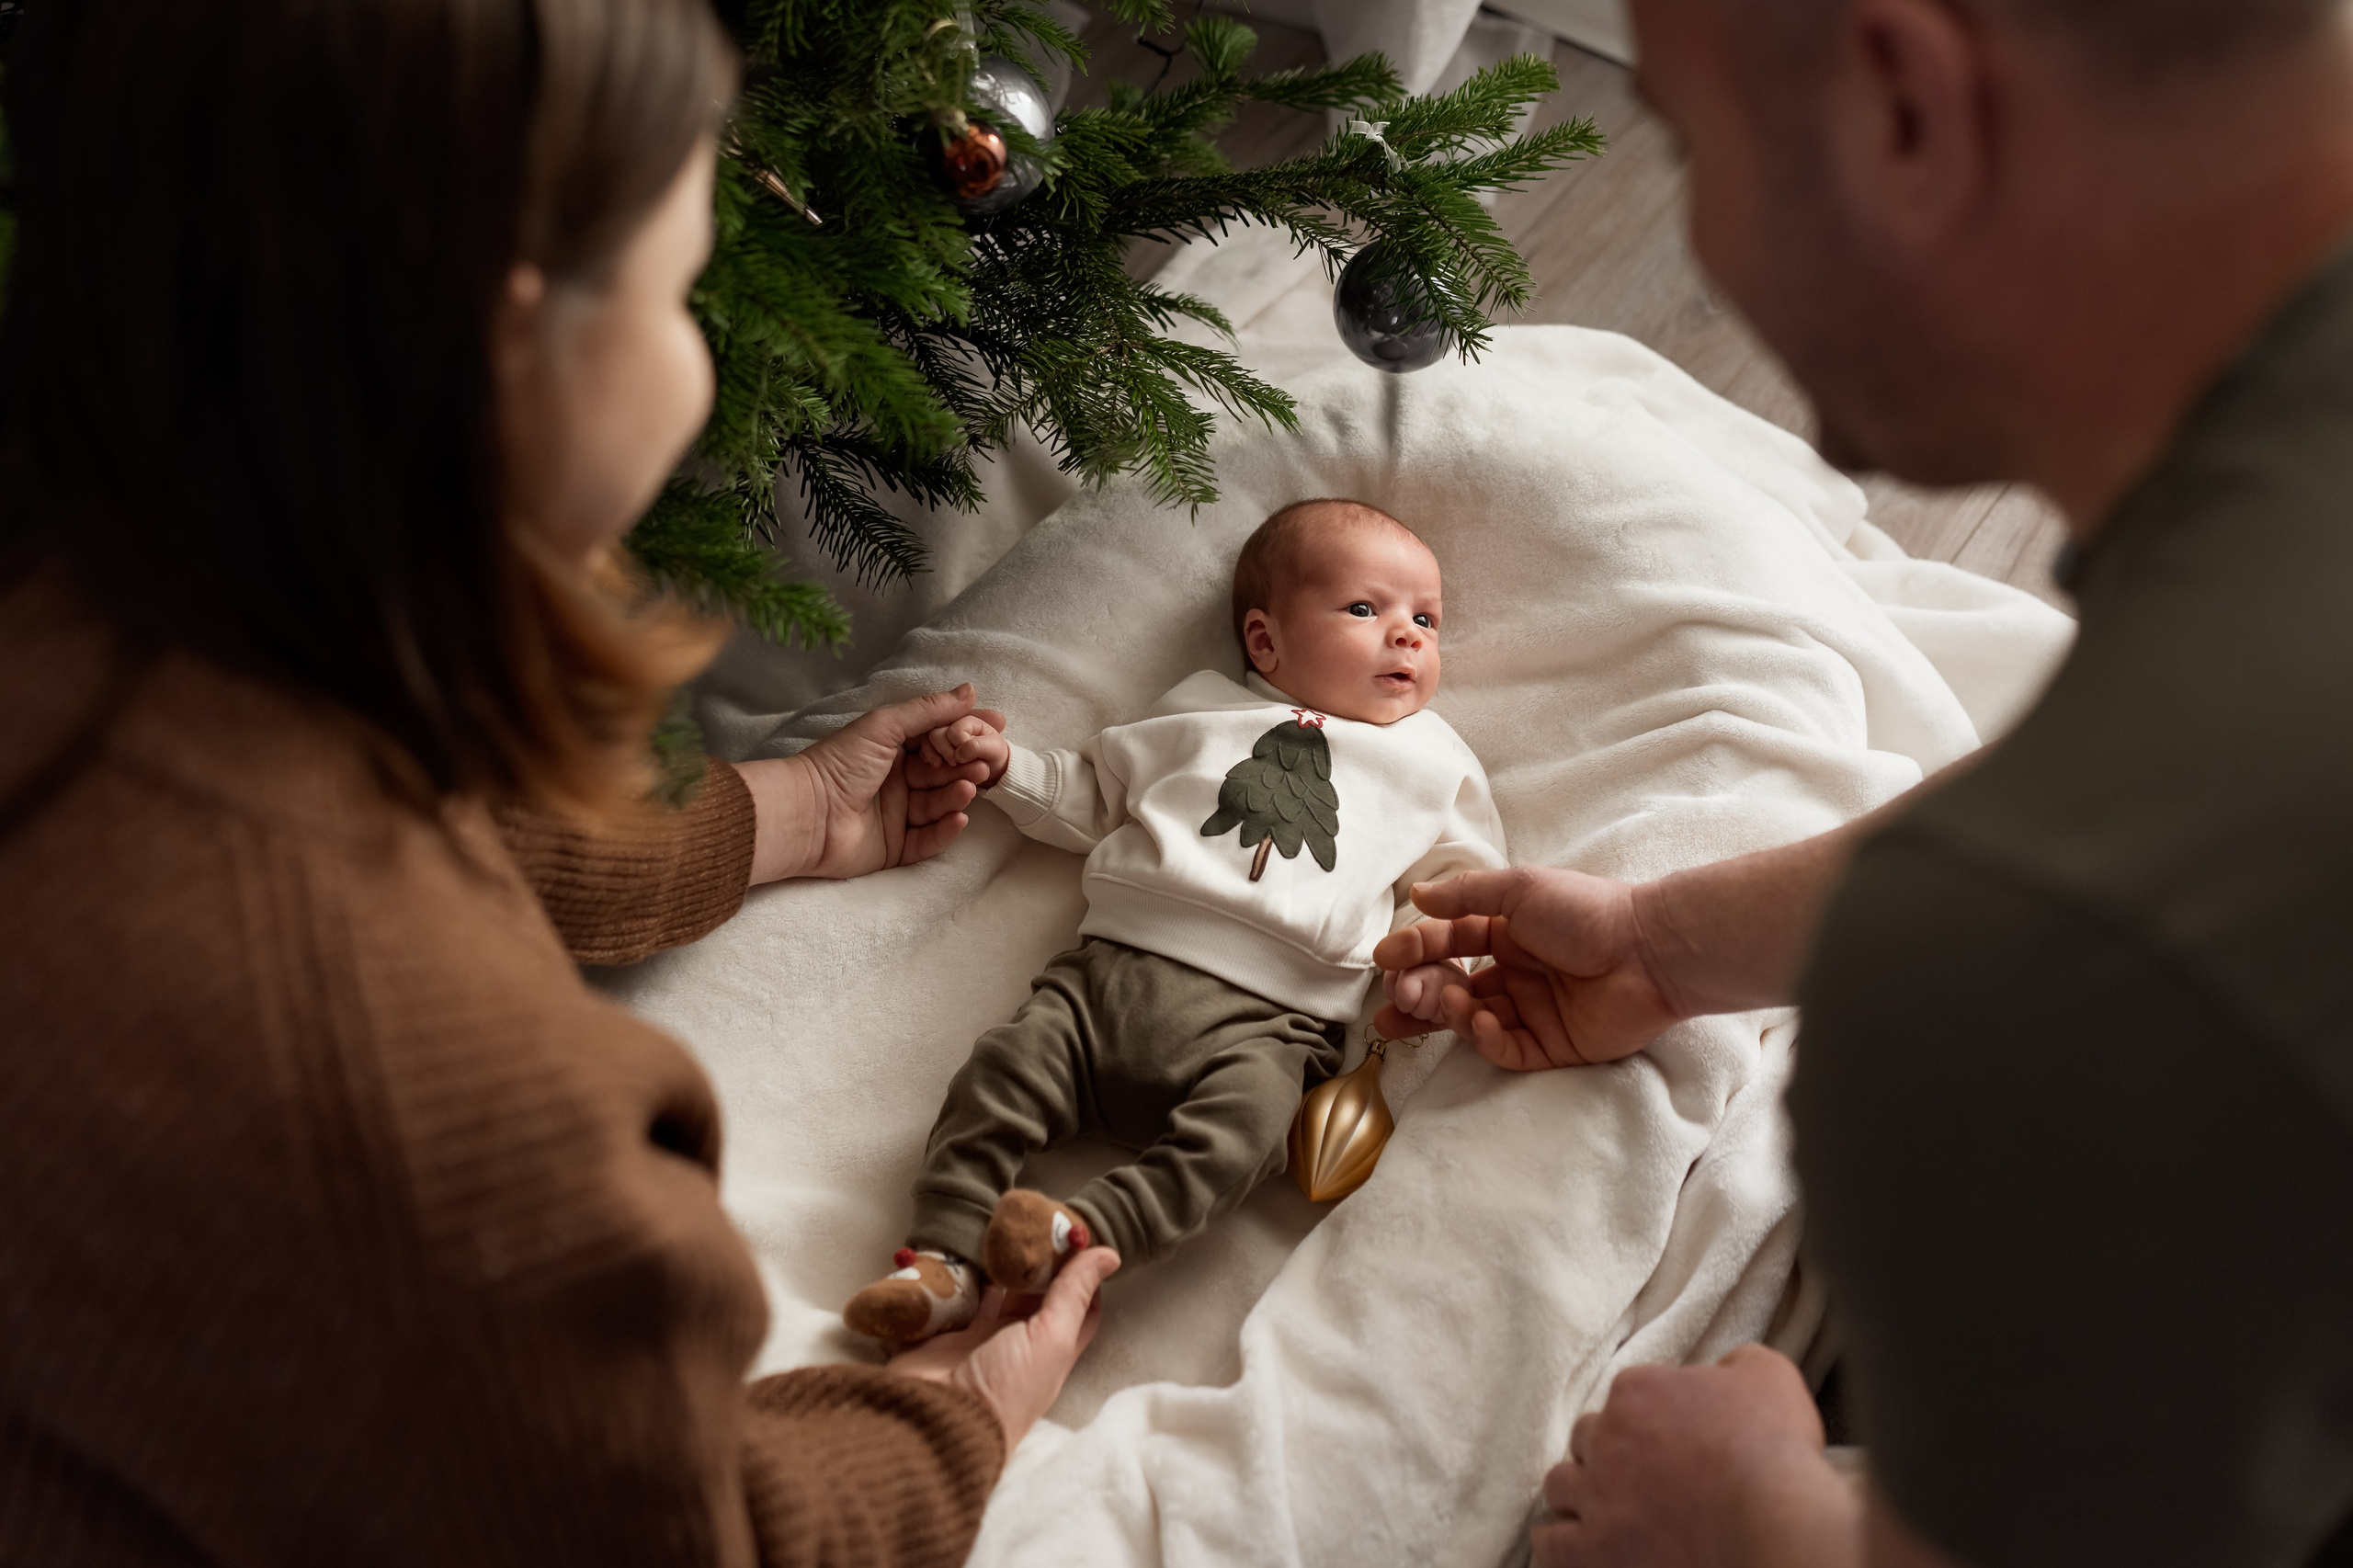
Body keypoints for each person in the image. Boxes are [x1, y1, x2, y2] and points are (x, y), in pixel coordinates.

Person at [0, 0, 1115, 1562]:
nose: (703, 365)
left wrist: (785, 816)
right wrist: (957, 1414)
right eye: (680, 291)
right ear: (521, 339)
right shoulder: (430, 1125)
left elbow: (452, 812)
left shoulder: (116, 594)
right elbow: (669, 1532)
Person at [1373, 0, 2353, 1563]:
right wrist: (1657, 941)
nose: (1699, 222)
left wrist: (1744, 1513)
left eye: (1698, 147)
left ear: (1903, 110)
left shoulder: (2043, 981)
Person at [841, 499, 1505, 1343]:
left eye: (1427, 620)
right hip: (1101, 986)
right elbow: (1097, 797)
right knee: (999, 1077)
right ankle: (942, 1257)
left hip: (1272, 1027)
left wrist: (1439, 963)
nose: (1408, 635)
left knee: (1242, 1141)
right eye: (1366, 610)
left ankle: (1075, 1239)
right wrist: (1006, 767)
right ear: (1265, 642)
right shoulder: (1196, 711)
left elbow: (1461, 884)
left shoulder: (1434, 762)